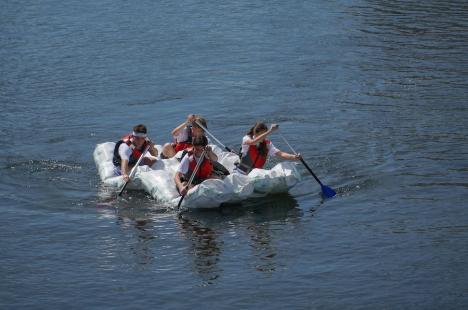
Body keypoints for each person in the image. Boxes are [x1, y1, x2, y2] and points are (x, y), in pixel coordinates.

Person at [236, 122, 301, 174]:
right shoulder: (246, 138)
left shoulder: (267, 144)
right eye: (262, 135)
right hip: (242, 172)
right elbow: (253, 142)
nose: (263, 137)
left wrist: (294, 157)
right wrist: (270, 130)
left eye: (265, 135)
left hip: (255, 174)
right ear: (255, 133)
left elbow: (280, 153)